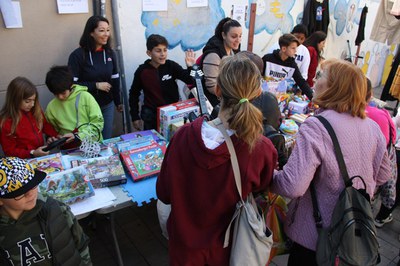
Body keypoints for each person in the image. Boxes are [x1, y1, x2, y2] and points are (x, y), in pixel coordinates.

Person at [156, 54, 277, 265]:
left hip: (184, 252)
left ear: (218, 90)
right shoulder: (260, 148)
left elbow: (164, 194)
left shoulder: (182, 136)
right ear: (258, 92)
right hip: (228, 252)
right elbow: (263, 185)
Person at [271, 59, 391, 265]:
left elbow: (292, 185)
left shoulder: (317, 126)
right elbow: (383, 175)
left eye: (320, 76)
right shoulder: (372, 127)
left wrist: (267, 175)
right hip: (353, 232)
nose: (314, 81)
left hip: (316, 238)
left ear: (335, 86)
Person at [0, 156, 91, 265]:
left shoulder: (55, 209)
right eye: (20, 192)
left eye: (32, 185)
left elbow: (81, 245)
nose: (30, 194)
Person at [68, 15, 122, 140]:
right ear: (91, 33)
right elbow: (71, 85)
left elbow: (115, 79)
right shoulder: (77, 55)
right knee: (89, 142)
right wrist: (96, 85)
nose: (106, 34)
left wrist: (118, 101)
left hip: (107, 104)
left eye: (108, 30)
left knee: (106, 139)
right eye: (101, 30)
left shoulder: (110, 53)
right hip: (85, 108)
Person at [129, 34, 195, 131]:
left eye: (165, 50)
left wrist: (190, 67)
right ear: (149, 53)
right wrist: (135, 117)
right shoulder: (142, 71)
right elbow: (133, 94)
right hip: (151, 116)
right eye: (158, 51)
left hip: (173, 114)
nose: (163, 54)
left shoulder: (171, 66)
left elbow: (190, 80)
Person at [0, 77, 73, 159]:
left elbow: (46, 126)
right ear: (15, 99)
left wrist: (55, 136)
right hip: (23, 162)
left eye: (33, 100)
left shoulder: (35, 110)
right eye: (27, 101)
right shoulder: (6, 121)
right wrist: (32, 153)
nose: (32, 104)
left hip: (40, 157)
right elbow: (9, 151)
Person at [45, 66, 104, 144]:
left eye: (63, 93)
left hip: (92, 145)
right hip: (68, 149)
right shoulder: (51, 107)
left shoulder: (85, 97)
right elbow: (51, 130)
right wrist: (51, 137)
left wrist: (79, 136)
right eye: (56, 94)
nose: (60, 97)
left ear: (71, 86)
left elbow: (98, 123)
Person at [200, 18, 242, 107]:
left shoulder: (233, 52)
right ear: (223, 35)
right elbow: (212, 87)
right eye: (234, 36)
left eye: (240, 36)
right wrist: (235, 94)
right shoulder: (213, 56)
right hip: (212, 102)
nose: (238, 40)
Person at [262, 33, 314, 100]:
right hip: (265, 97)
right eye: (293, 48)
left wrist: (313, 97)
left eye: (296, 48)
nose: (295, 51)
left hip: (281, 99)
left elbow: (301, 81)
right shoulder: (267, 59)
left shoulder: (292, 64)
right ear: (284, 49)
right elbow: (257, 76)